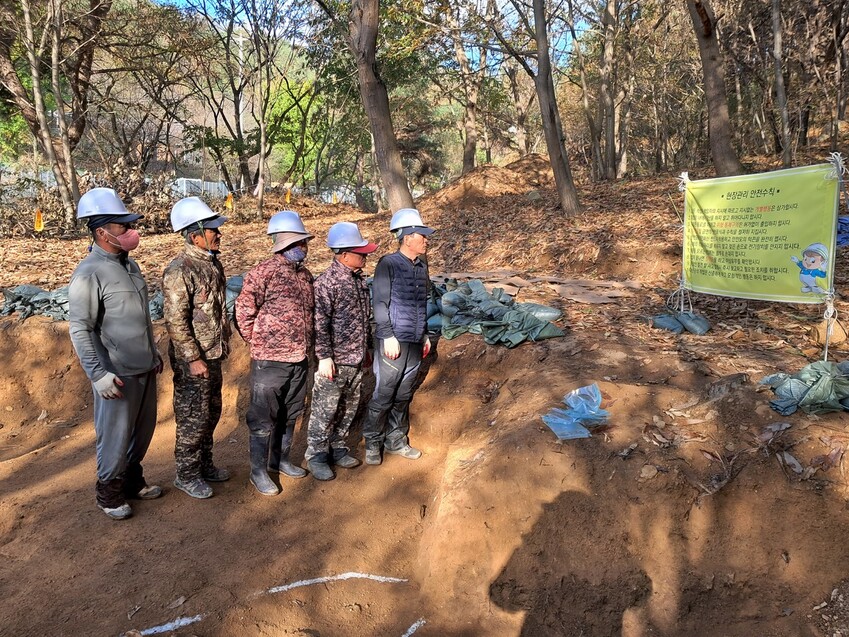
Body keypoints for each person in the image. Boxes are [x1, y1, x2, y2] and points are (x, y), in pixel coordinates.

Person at [69, 187, 163, 520]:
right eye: (123, 225)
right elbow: (80, 328)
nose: (131, 231)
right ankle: (108, 492)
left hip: (143, 366)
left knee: (143, 430)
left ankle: (131, 479)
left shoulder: (130, 265)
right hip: (116, 372)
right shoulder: (89, 273)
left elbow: (139, 317)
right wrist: (97, 373)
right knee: (115, 434)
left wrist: (153, 354)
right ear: (102, 232)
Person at [236, 210, 314, 495]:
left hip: (299, 359)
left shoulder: (305, 275)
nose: (303, 248)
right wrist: (260, 343)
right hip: (270, 361)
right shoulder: (262, 273)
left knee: (290, 413)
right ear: (284, 243)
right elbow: (244, 312)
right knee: (262, 417)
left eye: (304, 243)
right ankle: (258, 472)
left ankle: (279, 460)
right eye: (299, 243)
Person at [162, 197, 231, 499]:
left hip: (212, 354)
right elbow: (175, 321)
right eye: (213, 229)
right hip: (195, 360)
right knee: (193, 416)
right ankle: (186, 474)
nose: (219, 234)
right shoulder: (180, 270)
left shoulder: (212, 264)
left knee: (211, 412)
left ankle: (204, 465)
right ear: (195, 235)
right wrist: (192, 358)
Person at [361, 208, 435, 466]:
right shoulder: (388, 264)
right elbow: (380, 303)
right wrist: (388, 336)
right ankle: (372, 441)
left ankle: (396, 441)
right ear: (407, 238)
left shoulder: (421, 266)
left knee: (403, 394)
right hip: (393, 341)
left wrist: (424, 334)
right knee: (384, 392)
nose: (426, 240)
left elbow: (421, 303)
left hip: (414, 340)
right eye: (422, 235)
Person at [304, 222, 377, 480]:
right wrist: (324, 356)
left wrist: (366, 348)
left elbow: (363, 318)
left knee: (348, 407)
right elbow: (319, 323)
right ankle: (316, 454)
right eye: (361, 253)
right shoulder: (327, 283)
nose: (365, 256)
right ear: (344, 255)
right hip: (334, 360)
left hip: (355, 357)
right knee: (325, 409)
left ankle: (338, 447)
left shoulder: (358, 281)